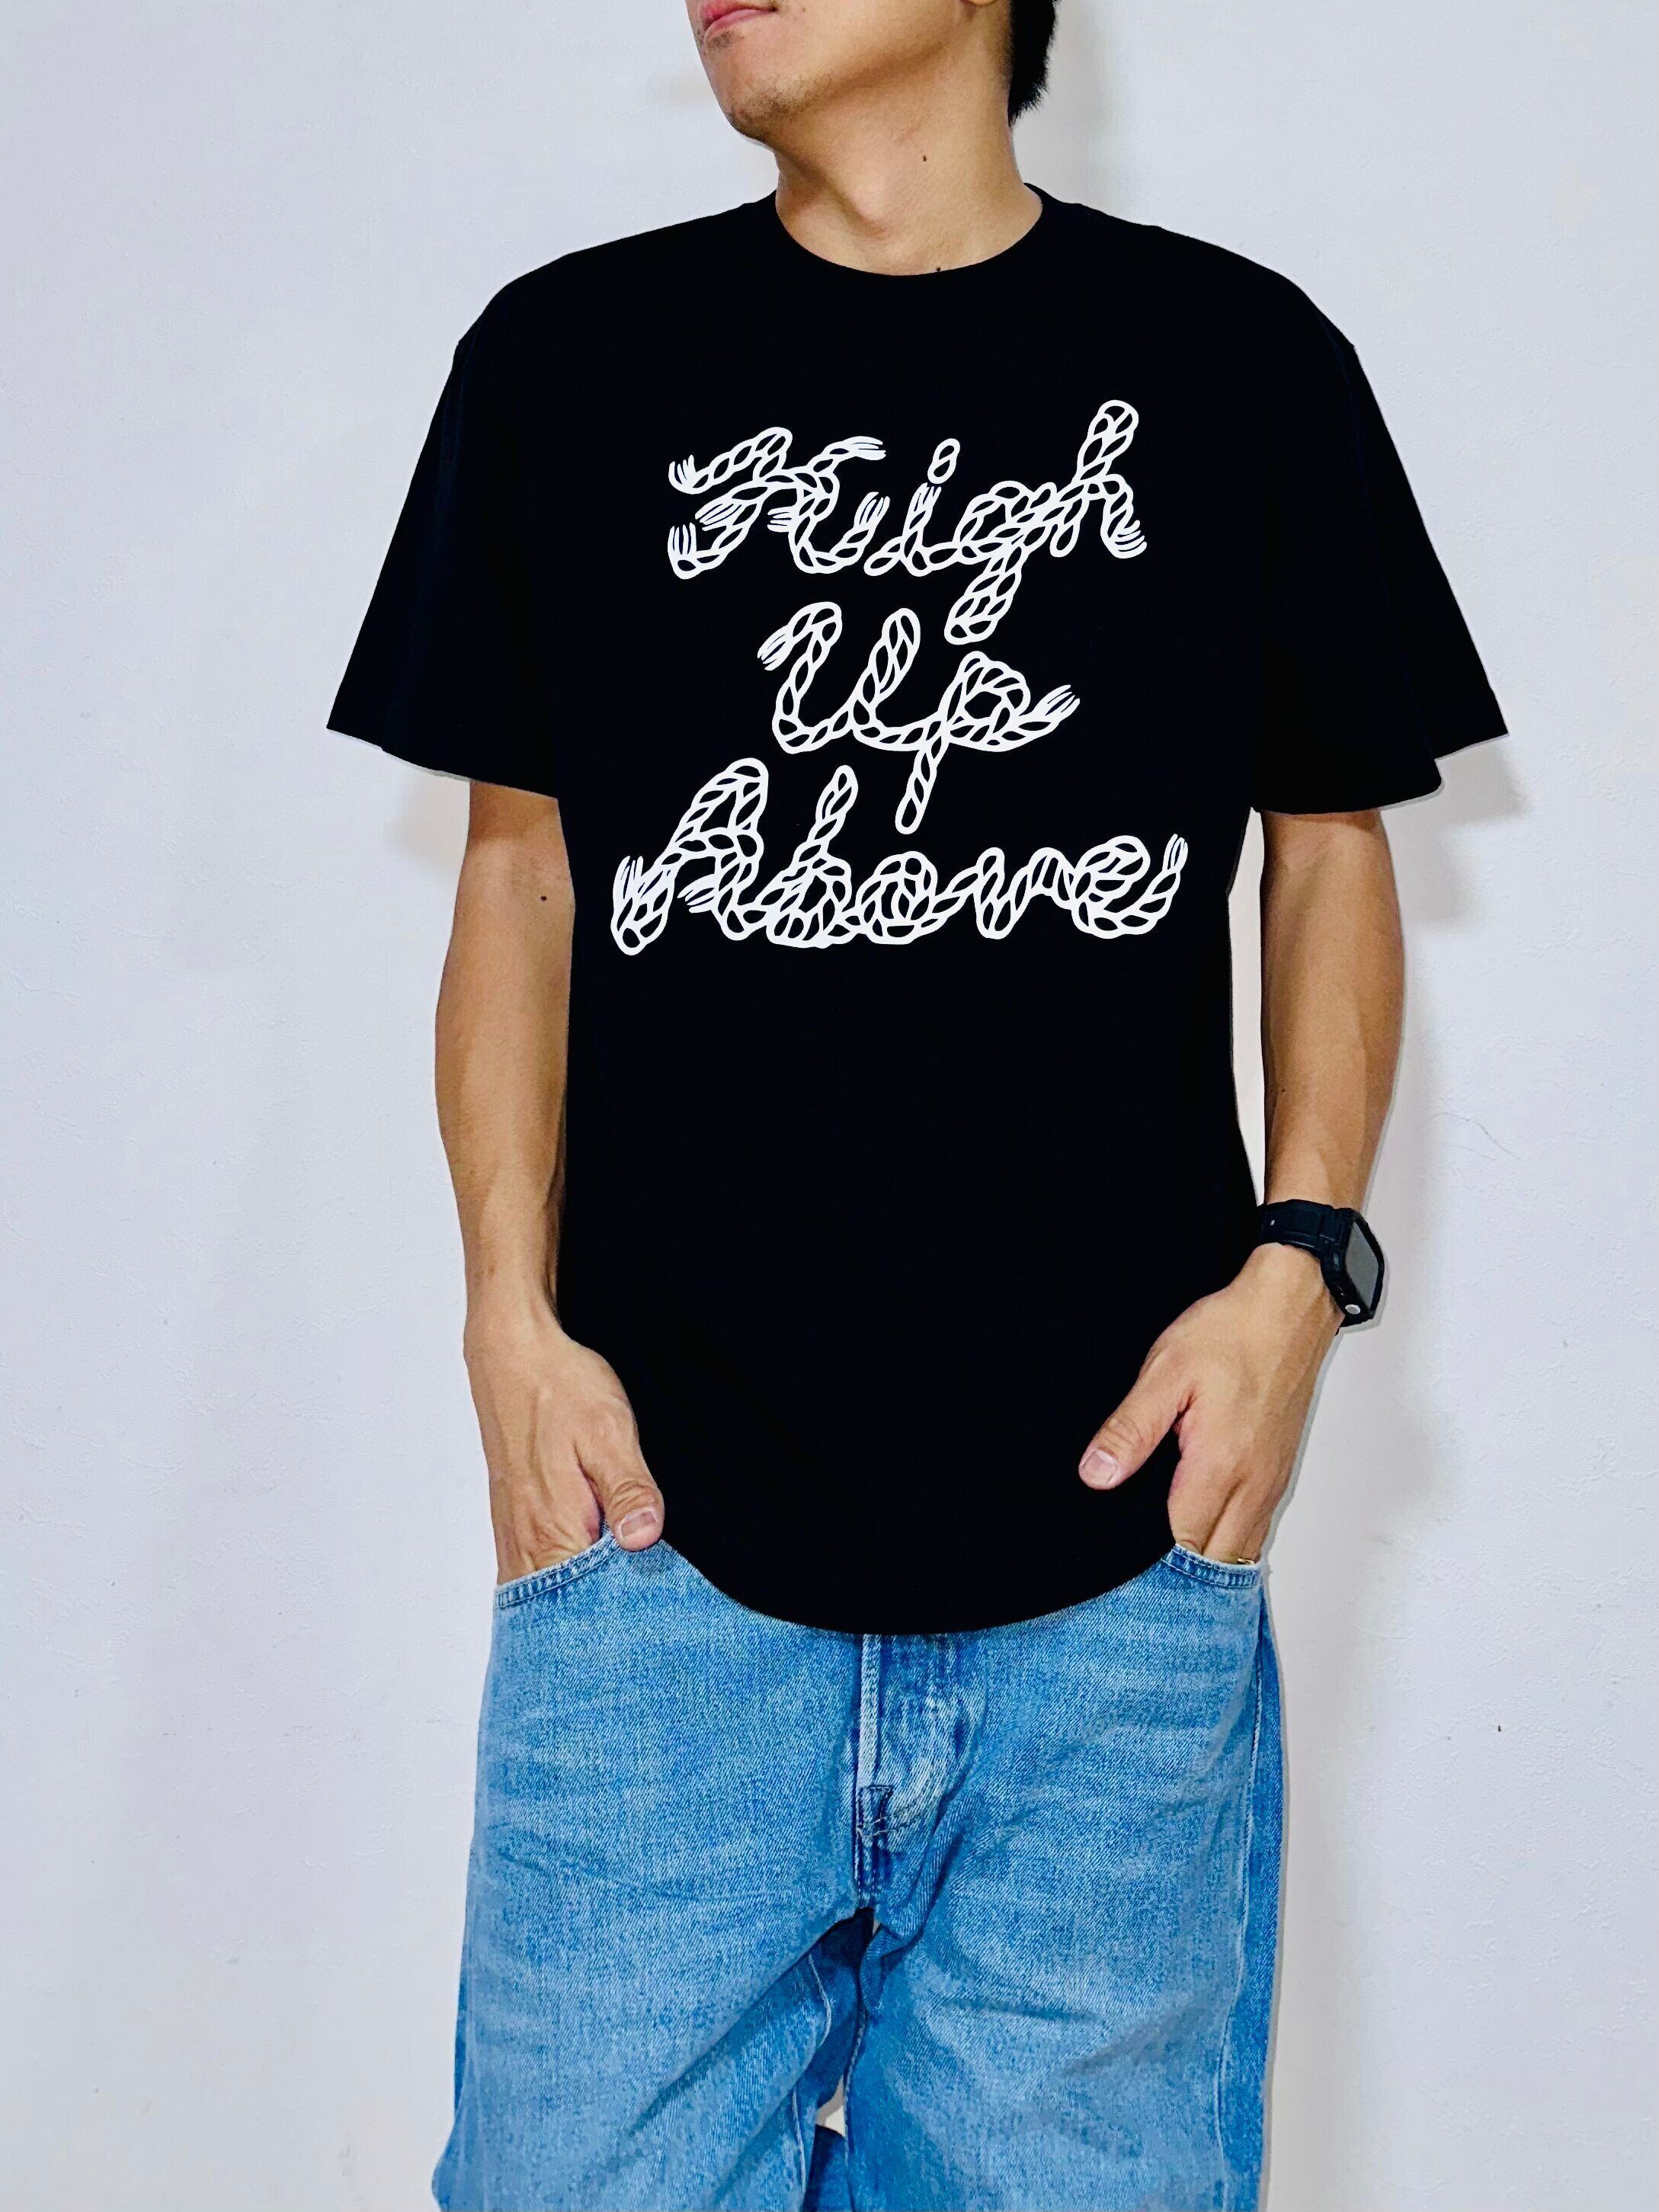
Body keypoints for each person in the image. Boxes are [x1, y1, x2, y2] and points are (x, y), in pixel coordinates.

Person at [328, 2, 1504, 2204]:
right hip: (654, 1544)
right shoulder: (569, 362)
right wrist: (505, 1318)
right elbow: (520, 877)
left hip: (1114, 1561)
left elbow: (1327, 846)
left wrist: (1297, 1269)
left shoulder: (1237, 362)